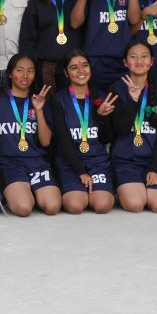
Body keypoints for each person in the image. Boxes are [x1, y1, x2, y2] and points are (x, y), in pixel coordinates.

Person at [40, 50, 116, 214]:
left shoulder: (101, 97)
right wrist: (80, 171)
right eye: (74, 67)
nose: (81, 71)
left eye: (85, 66)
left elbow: (106, 138)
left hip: (97, 162)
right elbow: (62, 141)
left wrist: (102, 117)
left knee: (102, 205)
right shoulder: (58, 100)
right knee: (75, 206)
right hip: (70, 163)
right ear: (66, 73)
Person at [0, 55, 61, 216]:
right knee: (24, 208)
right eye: (19, 70)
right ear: (10, 74)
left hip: (37, 162)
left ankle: (30, 191)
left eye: (30, 71)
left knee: (53, 206)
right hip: (9, 163)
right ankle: (18, 192)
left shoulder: (40, 101)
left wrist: (39, 110)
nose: (25, 75)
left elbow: (45, 141)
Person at [109, 41, 157, 213]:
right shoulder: (116, 89)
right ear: (125, 62)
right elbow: (121, 129)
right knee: (135, 204)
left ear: (151, 61)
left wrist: (156, 168)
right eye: (133, 57)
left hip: (154, 161)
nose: (139, 61)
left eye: (144, 56)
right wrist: (133, 100)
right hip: (126, 161)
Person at [71, 0, 141, 89]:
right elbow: (75, 23)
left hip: (123, 61)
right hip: (96, 62)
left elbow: (134, 20)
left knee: (123, 101)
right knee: (98, 102)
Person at [19, 0, 81, 91]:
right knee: (47, 103)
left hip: (74, 65)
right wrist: (31, 67)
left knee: (72, 103)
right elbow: (27, 40)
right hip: (46, 67)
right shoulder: (36, 2)